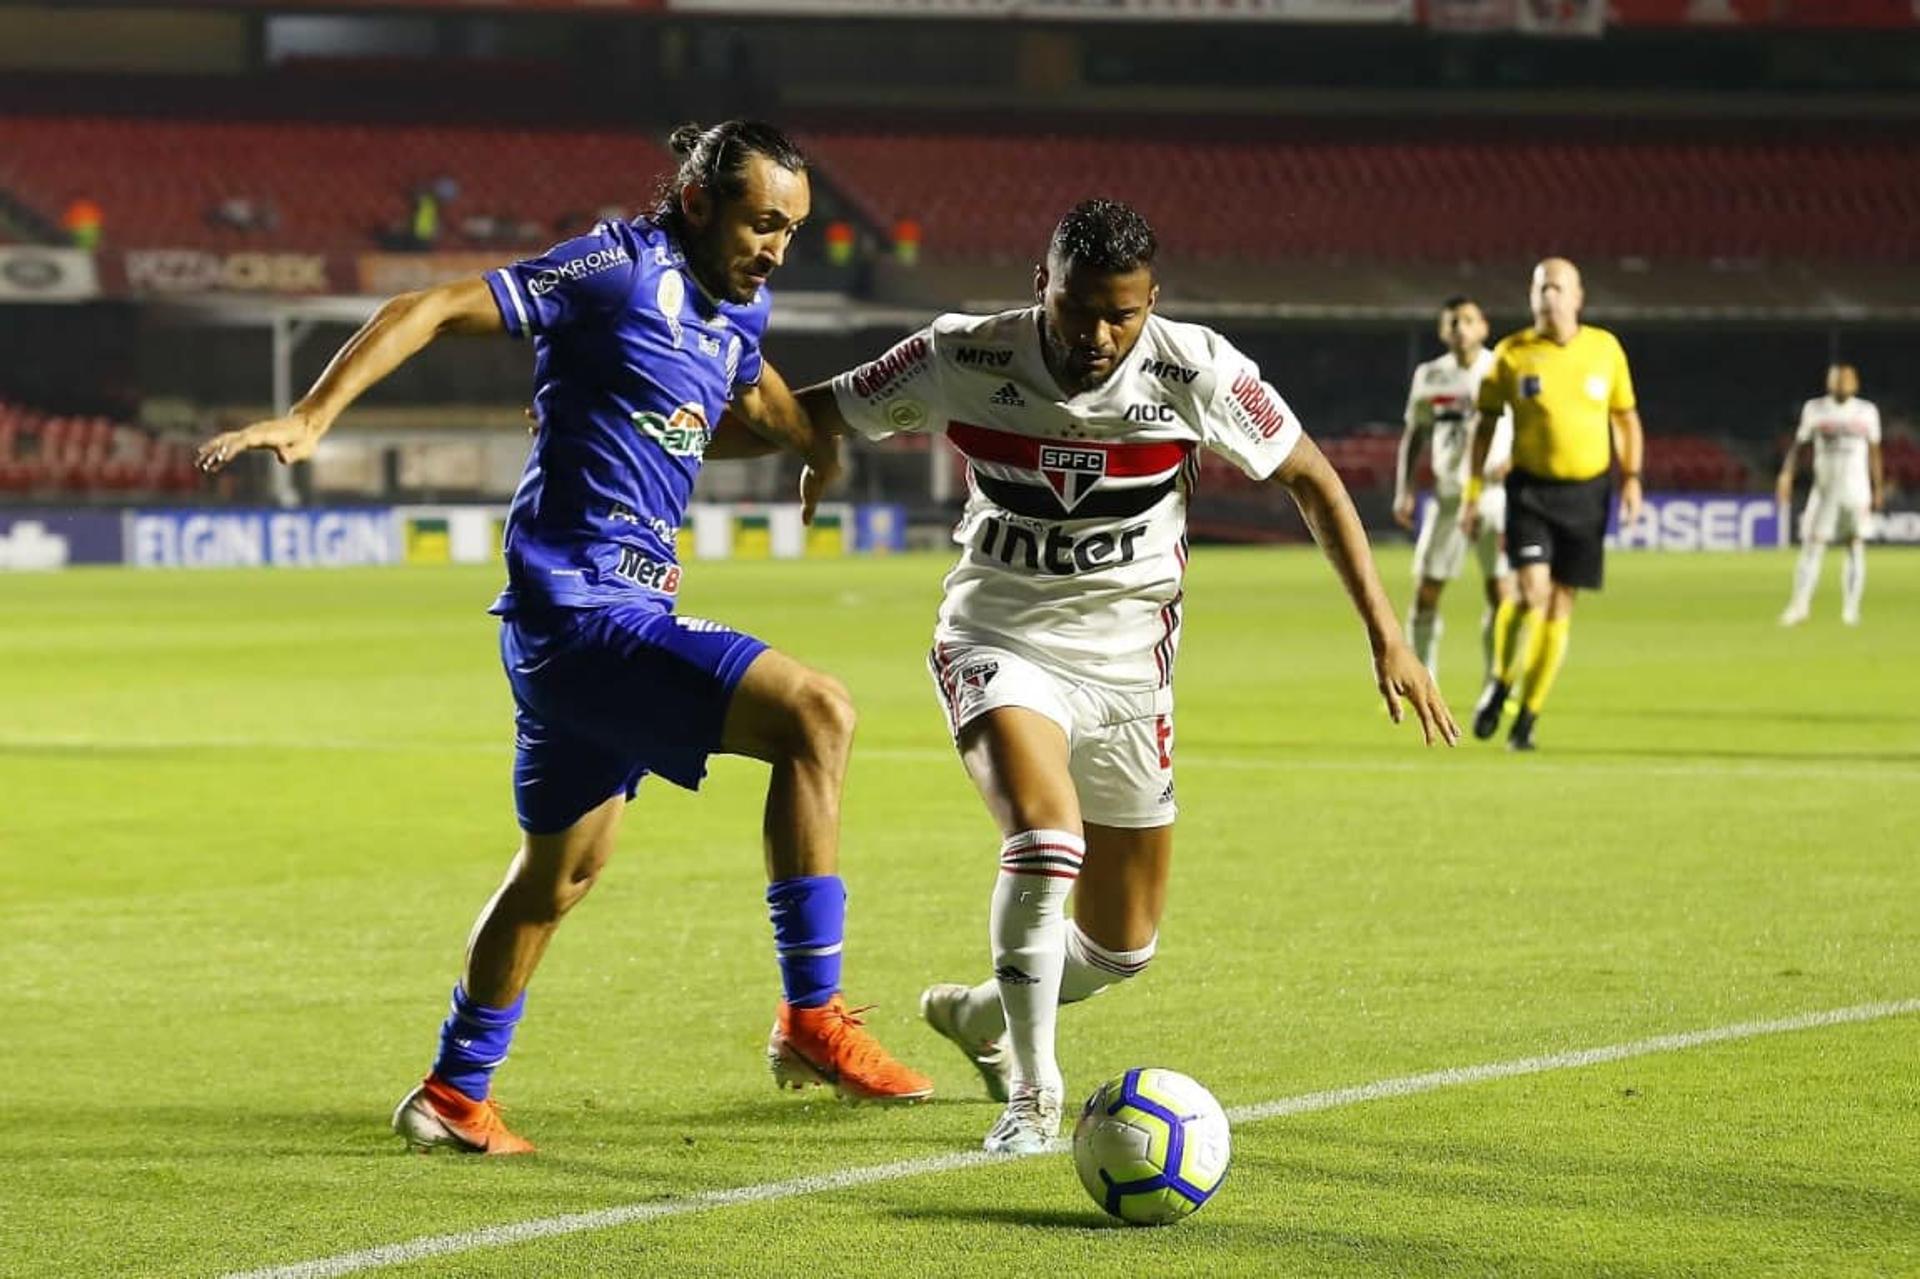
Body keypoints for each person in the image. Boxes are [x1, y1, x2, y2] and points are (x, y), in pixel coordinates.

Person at [195, 120, 933, 1156]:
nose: (775, 247)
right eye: (762, 221)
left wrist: (815, 442)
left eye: (791, 230)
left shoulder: (733, 308)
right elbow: (432, 306)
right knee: (819, 712)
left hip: (602, 621)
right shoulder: (615, 268)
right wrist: (314, 419)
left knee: (559, 879)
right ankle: (814, 1016)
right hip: (581, 609)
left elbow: (750, 383)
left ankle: (453, 1093)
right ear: (695, 202)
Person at [727, 199, 1456, 1153]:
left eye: (1122, 314)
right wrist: (713, 427)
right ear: (1043, 286)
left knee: (1122, 944)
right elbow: (805, 410)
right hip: (997, 637)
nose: (1097, 336)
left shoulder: (1198, 370)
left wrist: (1387, 634)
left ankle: (983, 1012)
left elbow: (1312, 477)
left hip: (1129, 669)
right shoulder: (965, 353)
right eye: (1078, 310)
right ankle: (1032, 1099)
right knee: (1044, 838)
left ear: (1154, 302)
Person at [1463, 257, 1644, 752]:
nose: (1548, 296)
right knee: (1527, 593)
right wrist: (1473, 493)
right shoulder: (1511, 354)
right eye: (1540, 288)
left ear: (1578, 296)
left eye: (1557, 288)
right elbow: (1483, 428)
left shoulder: (1605, 350)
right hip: (1530, 491)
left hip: (1587, 494)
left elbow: (1625, 419)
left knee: (1561, 604)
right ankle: (1499, 681)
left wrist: (1631, 478)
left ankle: (1529, 715)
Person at [1392, 295, 1517, 683]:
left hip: (1495, 497)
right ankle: (1421, 680)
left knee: (1501, 593)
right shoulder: (1430, 376)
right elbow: (1415, 435)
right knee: (1427, 592)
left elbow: (1531, 426)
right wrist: (1405, 489)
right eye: (1452, 322)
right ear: (1442, 331)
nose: (1460, 328)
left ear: (1483, 327)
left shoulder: (1504, 369)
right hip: (1449, 499)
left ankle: (1496, 682)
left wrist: (1514, 462)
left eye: (1467, 320)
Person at [1776, 363, 1883, 627]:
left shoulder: (1867, 411)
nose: (1842, 384)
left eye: (1846, 379)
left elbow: (1874, 452)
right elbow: (1799, 445)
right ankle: (1800, 606)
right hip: (1824, 492)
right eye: (1837, 379)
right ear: (1829, 382)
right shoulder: (1814, 409)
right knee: (1812, 546)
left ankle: (1851, 610)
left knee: (1855, 546)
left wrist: (1878, 487)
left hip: (1856, 492)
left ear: (1855, 383)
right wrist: (1786, 475)